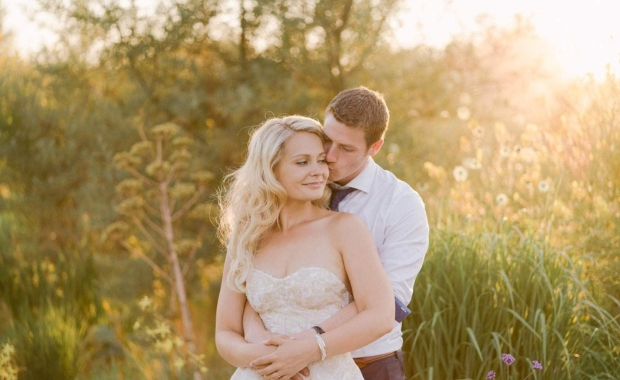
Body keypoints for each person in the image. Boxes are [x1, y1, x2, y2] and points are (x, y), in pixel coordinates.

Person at [244, 87, 430, 380]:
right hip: (284, 365)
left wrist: (311, 341)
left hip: (369, 364)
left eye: (345, 148)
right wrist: (270, 348)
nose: (329, 157)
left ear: (375, 147)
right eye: (327, 140)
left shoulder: (401, 204)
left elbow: (389, 303)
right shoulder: (293, 189)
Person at [215, 115, 395, 380]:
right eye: (302, 162)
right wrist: (269, 359)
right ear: (271, 169)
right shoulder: (247, 236)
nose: (319, 171)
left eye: (321, 160)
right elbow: (225, 332)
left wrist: (309, 350)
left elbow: (380, 316)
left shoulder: (345, 229)